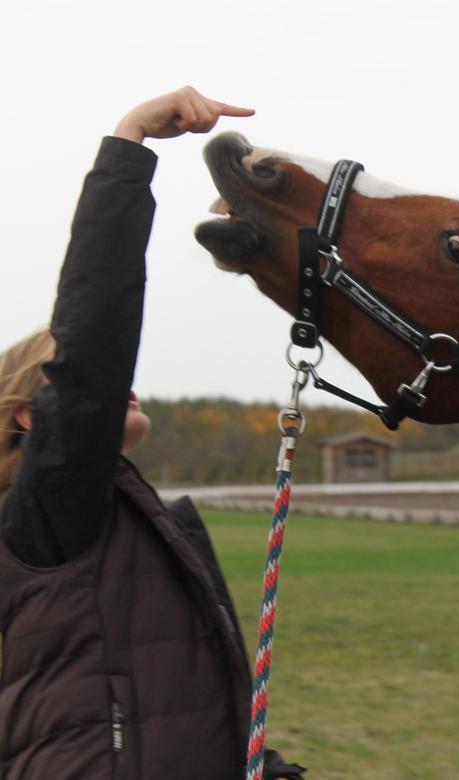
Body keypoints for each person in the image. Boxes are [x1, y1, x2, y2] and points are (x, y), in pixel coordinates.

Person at [0, 87, 304, 779]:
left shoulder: (126, 517)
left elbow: (171, 689)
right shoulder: (49, 513)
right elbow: (95, 337)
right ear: (29, 416)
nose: (120, 381)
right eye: (81, 380)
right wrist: (128, 146)